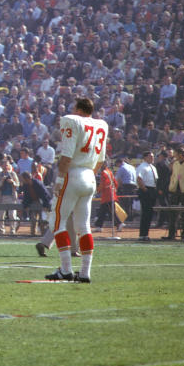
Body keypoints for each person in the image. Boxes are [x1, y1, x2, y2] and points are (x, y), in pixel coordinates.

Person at [46, 97, 108, 283]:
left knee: (56, 222)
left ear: (79, 110)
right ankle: (85, 272)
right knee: (84, 226)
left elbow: (66, 156)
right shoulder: (101, 124)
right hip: (89, 176)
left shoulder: (72, 120)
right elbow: (100, 160)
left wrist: (59, 179)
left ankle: (66, 269)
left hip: (72, 175)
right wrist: (89, 176)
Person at [165, 146, 184, 240]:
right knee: (172, 213)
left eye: (176, 154)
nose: (174, 156)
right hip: (175, 191)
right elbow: (173, 176)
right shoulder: (175, 164)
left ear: (181, 155)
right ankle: (171, 235)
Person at [135, 151, 159, 241]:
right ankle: (142, 234)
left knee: (149, 213)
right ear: (145, 157)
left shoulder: (153, 167)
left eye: (153, 156)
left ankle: (146, 234)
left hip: (152, 189)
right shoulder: (142, 167)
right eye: (150, 156)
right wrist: (145, 189)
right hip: (146, 189)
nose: (152, 158)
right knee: (145, 213)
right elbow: (139, 178)